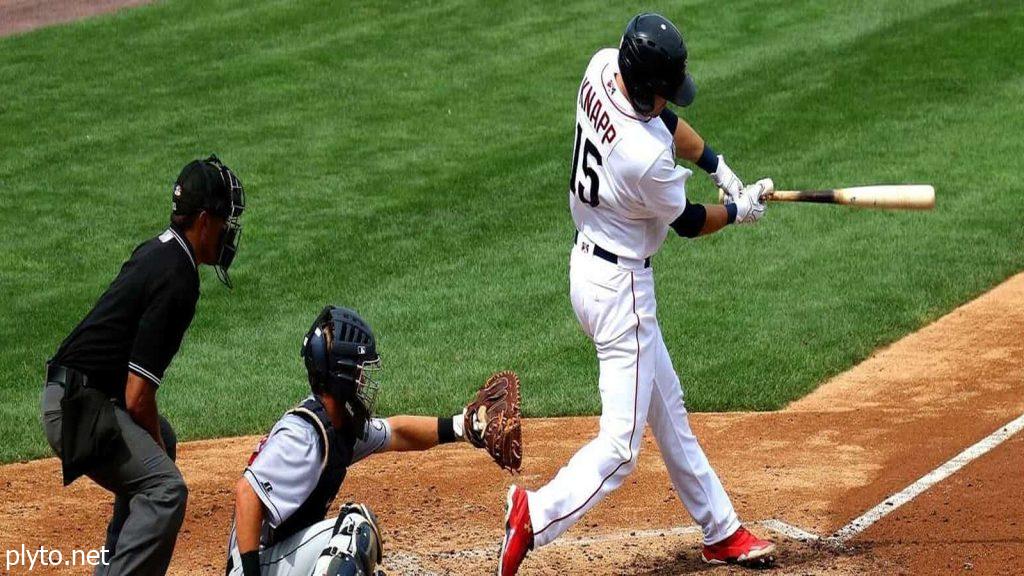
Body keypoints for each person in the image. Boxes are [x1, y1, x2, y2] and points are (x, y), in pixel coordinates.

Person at [498, 13, 776, 574]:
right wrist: (740, 210)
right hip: (622, 289)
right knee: (621, 448)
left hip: (588, 267)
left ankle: (720, 529)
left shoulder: (603, 65)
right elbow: (691, 221)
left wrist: (718, 165)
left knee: (667, 409)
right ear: (647, 86)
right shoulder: (642, 160)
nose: (669, 100)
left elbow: (664, 119)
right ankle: (535, 514)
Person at [41, 155, 246, 575]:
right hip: (78, 409)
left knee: (161, 439)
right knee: (166, 490)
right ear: (204, 221)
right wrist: (158, 458)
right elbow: (137, 395)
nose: (228, 233)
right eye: (225, 222)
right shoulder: (180, 278)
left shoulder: (160, 251)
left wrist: (155, 444)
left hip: (75, 396)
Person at [226, 305, 517, 576]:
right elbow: (247, 494)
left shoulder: (339, 425)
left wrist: (463, 426)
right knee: (354, 530)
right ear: (342, 375)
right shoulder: (303, 435)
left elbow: (396, 431)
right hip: (255, 566)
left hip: (278, 559)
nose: (364, 381)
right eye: (359, 372)